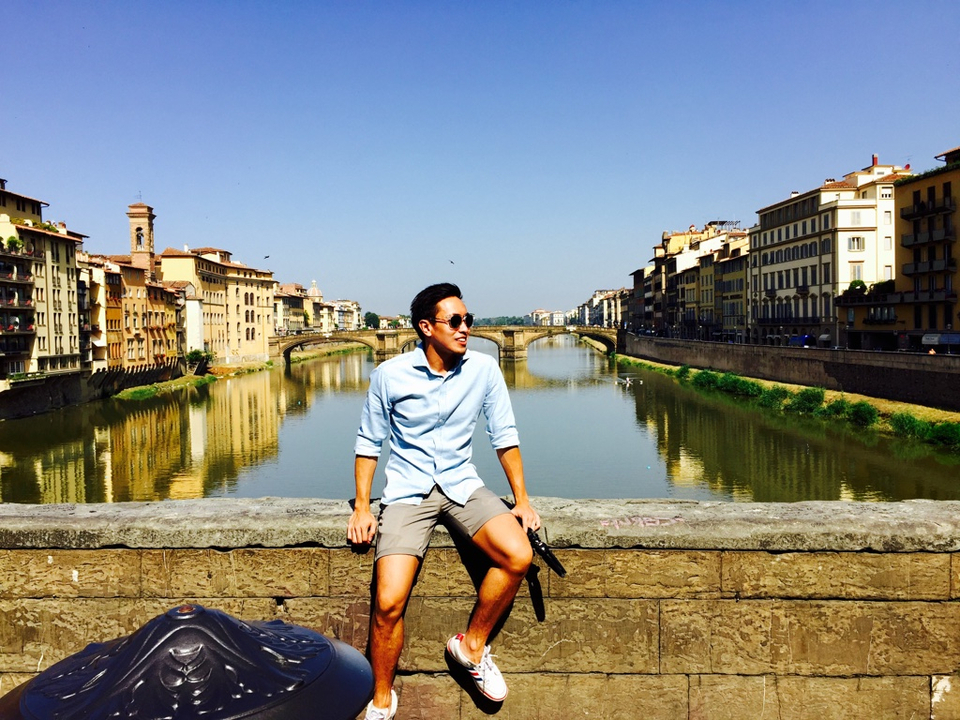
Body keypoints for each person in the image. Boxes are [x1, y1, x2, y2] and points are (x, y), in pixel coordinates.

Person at [348, 282, 540, 720]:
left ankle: (470, 648)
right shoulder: (389, 375)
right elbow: (368, 443)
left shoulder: (485, 370)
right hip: (407, 492)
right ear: (425, 327)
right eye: (455, 320)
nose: (465, 328)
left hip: (462, 484)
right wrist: (362, 506)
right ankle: (381, 698)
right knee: (388, 602)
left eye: (468, 319)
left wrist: (522, 500)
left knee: (518, 554)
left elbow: (504, 436)